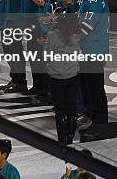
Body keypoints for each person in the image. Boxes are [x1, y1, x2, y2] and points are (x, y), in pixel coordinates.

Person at [76, 0, 109, 131]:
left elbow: (87, 26)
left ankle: (101, 122)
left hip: (93, 50)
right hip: (87, 50)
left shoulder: (94, 0)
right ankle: (92, 116)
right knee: (88, 85)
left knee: (95, 88)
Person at [46, 10, 81, 145]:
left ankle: (62, 138)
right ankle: (70, 137)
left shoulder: (53, 35)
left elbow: (47, 54)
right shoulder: (77, 37)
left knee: (59, 109)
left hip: (56, 76)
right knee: (72, 107)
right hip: (72, 75)